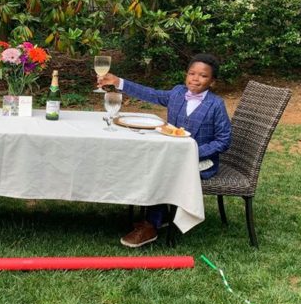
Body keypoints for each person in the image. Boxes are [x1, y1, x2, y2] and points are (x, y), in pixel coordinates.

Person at [97, 53, 232, 248]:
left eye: (203, 76)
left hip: (201, 162)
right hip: (174, 157)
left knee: (161, 171)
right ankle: (157, 214)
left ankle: (151, 226)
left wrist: (193, 151)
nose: (195, 78)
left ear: (213, 82)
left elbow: (224, 140)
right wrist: (119, 82)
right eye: (192, 73)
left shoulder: (216, 105)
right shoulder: (178, 93)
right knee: (148, 162)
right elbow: (151, 93)